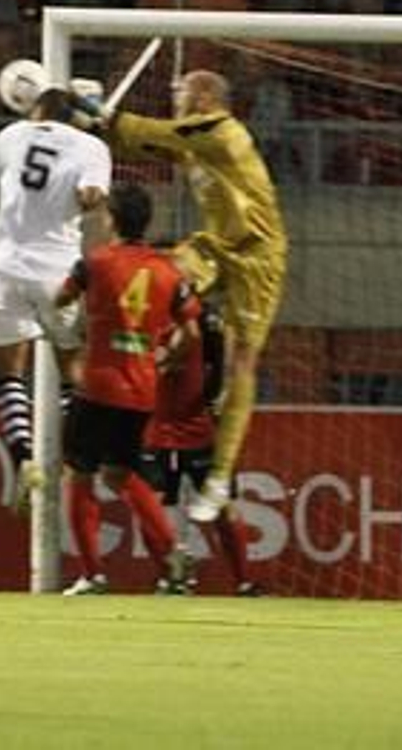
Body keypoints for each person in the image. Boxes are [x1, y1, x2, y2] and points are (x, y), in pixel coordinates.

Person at [93, 69, 287, 524]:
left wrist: (101, 112)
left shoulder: (223, 131)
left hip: (259, 256)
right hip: (214, 247)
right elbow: (140, 145)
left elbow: (152, 131)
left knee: (243, 361)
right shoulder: (192, 143)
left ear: (204, 96)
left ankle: (219, 477)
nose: (173, 92)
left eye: (179, 88)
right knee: (154, 280)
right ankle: (148, 374)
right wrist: (92, 127)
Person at [0, 83, 112, 512]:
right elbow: (92, 198)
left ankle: (23, 457)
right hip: (57, 273)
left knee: (10, 373)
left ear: (36, 112)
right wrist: (88, 197)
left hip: (5, 267)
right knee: (72, 370)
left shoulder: (12, 134)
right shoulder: (91, 146)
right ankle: (71, 458)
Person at [55, 183, 203, 595]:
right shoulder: (168, 271)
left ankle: (92, 574)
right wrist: (163, 359)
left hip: (98, 384)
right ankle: (172, 550)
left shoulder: (96, 262)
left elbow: (60, 299)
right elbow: (191, 333)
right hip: (142, 390)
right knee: (121, 472)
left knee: (79, 472)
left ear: (111, 219)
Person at [139, 285, 260, 596]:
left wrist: (214, 404)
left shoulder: (207, 321)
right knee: (148, 507)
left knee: (222, 507)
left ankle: (245, 582)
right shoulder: (143, 315)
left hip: (199, 429)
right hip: (154, 430)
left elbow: (221, 367)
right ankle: (170, 578)